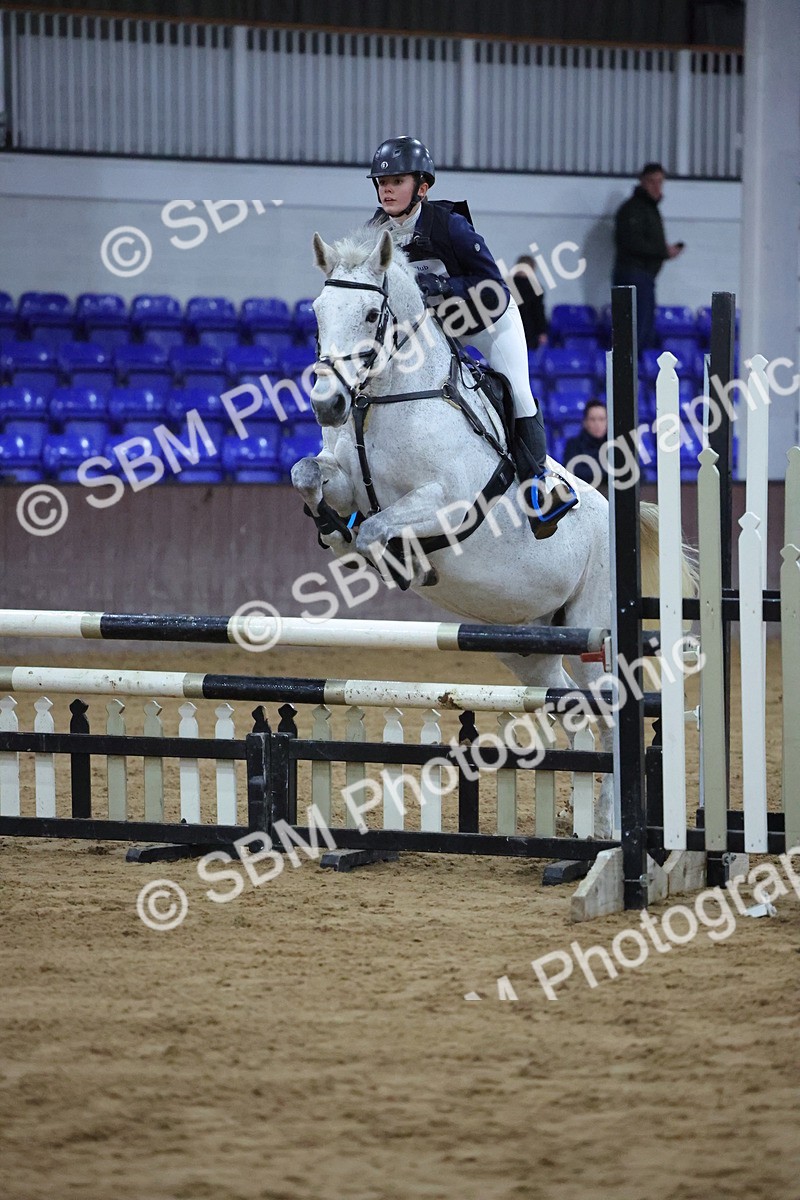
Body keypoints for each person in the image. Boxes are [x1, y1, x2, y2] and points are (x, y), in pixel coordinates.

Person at [367, 135, 576, 539]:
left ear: (422, 187)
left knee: (517, 393)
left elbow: (494, 287)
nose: (386, 188)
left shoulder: (449, 225)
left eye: (396, 180)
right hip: (435, 332)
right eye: (380, 182)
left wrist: (443, 287)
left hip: (487, 320)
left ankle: (540, 492)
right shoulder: (376, 230)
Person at [612, 162, 684, 350]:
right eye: (652, 181)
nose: (656, 186)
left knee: (644, 329)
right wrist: (663, 252)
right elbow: (632, 242)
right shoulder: (633, 209)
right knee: (636, 331)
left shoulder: (649, 209)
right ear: (642, 182)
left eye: (660, 182)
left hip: (645, 277)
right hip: (635, 276)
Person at [562, 400, 608, 490]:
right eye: (592, 419)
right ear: (585, 422)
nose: (597, 424)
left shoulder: (615, 446)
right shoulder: (573, 445)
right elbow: (573, 472)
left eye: (601, 419)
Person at [510, 255, 548, 352]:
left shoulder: (507, 285)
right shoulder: (536, 287)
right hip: (529, 330)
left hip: (511, 328)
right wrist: (542, 331)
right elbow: (539, 312)